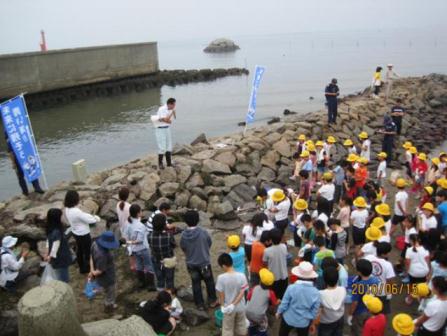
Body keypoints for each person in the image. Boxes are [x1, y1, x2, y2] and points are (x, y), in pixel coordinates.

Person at [180, 210, 218, 310]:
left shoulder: (183, 235)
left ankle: (199, 304)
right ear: (197, 220)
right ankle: (212, 301)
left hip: (191, 264)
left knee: (195, 283)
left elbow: (183, 247)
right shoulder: (203, 232)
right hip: (204, 262)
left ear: (185, 221)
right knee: (209, 282)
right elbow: (209, 243)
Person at [276, 261, 320, 336]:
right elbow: (314, 311)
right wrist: (311, 320)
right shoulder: (316, 292)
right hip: (303, 322)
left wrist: (279, 312)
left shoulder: (291, 287)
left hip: (288, 318)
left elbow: (284, 303)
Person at [64, 190, 100, 274]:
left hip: (75, 231)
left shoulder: (67, 209)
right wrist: (96, 218)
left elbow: (82, 216)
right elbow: (88, 219)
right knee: (88, 251)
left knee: (80, 250)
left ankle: (81, 267)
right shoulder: (76, 211)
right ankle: (89, 267)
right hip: (83, 233)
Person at [216, 253, 248, 336]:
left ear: (223, 266)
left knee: (227, 329)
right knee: (241, 326)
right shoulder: (242, 276)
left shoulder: (221, 278)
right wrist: (234, 304)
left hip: (228, 309)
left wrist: (223, 306)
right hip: (240, 307)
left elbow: (221, 295)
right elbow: (242, 292)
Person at [4, 131, 45, 196]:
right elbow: (10, 151)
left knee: (22, 175)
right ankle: (36, 188)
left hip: (20, 156)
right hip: (23, 155)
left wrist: (13, 163)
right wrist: (13, 163)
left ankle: (26, 192)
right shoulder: (14, 127)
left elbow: (10, 151)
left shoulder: (9, 128)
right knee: (29, 171)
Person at [126, 204, 156, 291]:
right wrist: (132, 242)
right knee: (148, 266)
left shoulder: (127, 224)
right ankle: (150, 285)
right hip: (143, 249)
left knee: (139, 266)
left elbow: (126, 237)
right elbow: (140, 240)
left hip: (134, 250)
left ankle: (141, 283)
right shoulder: (141, 226)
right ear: (138, 213)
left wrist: (130, 245)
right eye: (141, 211)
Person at [89, 231, 119, 313]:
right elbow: (100, 271)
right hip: (107, 276)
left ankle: (108, 302)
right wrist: (93, 272)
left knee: (105, 289)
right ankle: (109, 307)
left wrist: (91, 270)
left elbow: (91, 257)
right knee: (110, 291)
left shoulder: (94, 244)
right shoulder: (103, 255)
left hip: (99, 274)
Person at [348, 259, 380, 335]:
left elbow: (355, 303)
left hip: (359, 311)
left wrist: (350, 314)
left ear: (359, 272)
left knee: (357, 329)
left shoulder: (358, 286)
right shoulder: (376, 280)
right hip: (370, 309)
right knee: (367, 327)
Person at [363, 242, 396, 314]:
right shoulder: (388, 265)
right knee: (383, 310)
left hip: (369, 288)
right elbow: (390, 281)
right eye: (388, 252)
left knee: (370, 307)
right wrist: (390, 292)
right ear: (384, 254)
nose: (389, 254)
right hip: (382, 292)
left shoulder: (368, 257)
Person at [147, 213, 176, 291]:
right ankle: (170, 292)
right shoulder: (169, 235)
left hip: (156, 260)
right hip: (168, 259)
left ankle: (161, 293)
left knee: (159, 279)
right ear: (164, 225)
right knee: (169, 278)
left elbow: (150, 245)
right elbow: (173, 245)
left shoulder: (149, 236)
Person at [246, 268, 279, 335]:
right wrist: (279, 301)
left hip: (247, 312)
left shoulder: (255, 287)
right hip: (259, 316)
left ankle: (252, 332)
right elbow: (274, 303)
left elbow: (248, 298)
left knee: (251, 324)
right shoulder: (270, 292)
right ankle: (261, 333)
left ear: (260, 281)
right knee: (263, 325)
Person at [45, 208, 72, 283]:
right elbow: (55, 246)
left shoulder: (49, 228)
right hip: (61, 256)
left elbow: (48, 240)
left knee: (58, 272)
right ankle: (64, 286)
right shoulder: (57, 231)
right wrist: (50, 256)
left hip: (55, 258)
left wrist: (47, 253)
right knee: (63, 275)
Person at [318, 267, 346, 336]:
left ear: (324, 280)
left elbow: (319, 308)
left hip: (326, 321)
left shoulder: (321, 294)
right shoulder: (342, 290)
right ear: (337, 279)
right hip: (340, 318)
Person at [263, 228, 288, 299]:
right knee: (283, 294)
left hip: (273, 277)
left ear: (270, 239)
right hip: (284, 275)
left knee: (274, 296)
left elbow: (265, 263)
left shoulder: (267, 251)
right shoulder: (284, 247)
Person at [405, 234, 430, 305]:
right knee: (422, 285)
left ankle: (410, 299)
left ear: (411, 241)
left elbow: (407, 263)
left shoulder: (409, 250)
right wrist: (428, 272)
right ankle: (421, 298)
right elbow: (428, 262)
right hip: (424, 271)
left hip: (413, 272)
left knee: (412, 285)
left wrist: (407, 271)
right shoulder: (425, 249)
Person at [154, 97, 176, 169]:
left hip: (167, 129)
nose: (174, 106)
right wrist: (170, 115)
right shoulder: (162, 109)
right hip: (160, 130)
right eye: (173, 105)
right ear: (170, 104)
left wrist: (171, 114)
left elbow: (169, 121)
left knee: (168, 146)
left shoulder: (170, 110)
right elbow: (166, 120)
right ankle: (160, 163)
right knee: (162, 147)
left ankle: (169, 163)